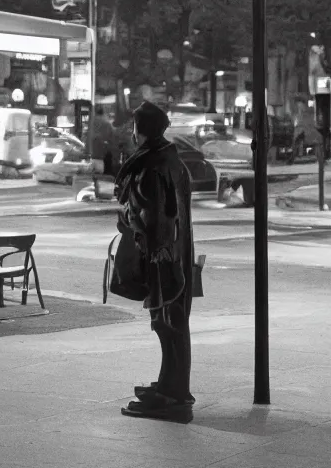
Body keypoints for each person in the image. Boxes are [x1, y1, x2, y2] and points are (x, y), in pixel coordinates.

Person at [116, 102, 197, 423]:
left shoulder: (153, 165)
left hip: (163, 259)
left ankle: (173, 396)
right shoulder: (169, 159)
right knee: (171, 325)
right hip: (174, 254)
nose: (131, 133)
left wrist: (125, 219)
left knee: (169, 325)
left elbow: (152, 216)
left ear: (142, 129)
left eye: (133, 126)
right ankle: (170, 386)